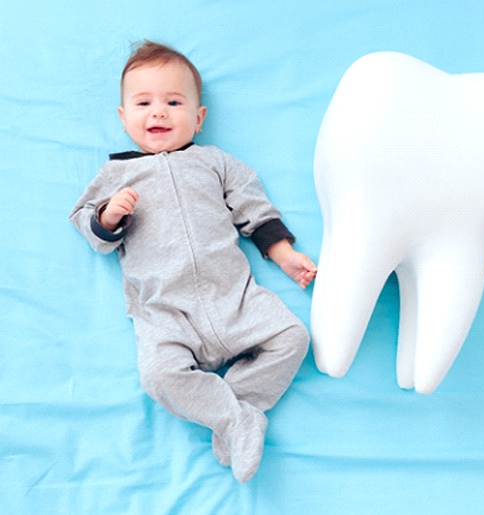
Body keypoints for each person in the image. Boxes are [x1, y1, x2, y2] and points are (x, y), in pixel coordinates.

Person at [69, 40, 317, 483]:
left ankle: (236, 412)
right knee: (159, 378)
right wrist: (109, 216)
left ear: (199, 118)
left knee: (294, 338)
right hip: (166, 313)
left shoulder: (216, 163)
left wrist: (285, 255)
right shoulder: (115, 175)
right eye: (143, 103)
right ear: (124, 119)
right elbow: (88, 227)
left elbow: (255, 211)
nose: (158, 113)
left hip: (234, 299)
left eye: (173, 102)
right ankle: (237, 420)